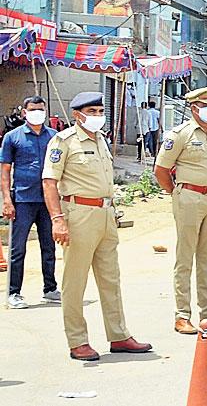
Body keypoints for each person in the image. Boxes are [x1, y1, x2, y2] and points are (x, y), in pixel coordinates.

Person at [43, 91, 152, 361]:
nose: (97, 117)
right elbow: (49, 182)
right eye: (91, 112)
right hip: (78, 214)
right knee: (75, 281)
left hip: (105, 214)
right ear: (77, 115)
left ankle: (119, 335)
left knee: (110, 279)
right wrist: (57, 219)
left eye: (100, 111)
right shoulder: (64, 141)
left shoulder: (101, 140)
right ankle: (77, 340)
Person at [153, 87, 207, 335]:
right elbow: (161, 169)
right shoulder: (180, 134)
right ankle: (182, 314)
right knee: (185, 257)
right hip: (189, 196)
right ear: (195, 108)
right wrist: (176, 192)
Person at [2, 96, 59, 309]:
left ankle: (50, 289)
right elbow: (5, 171)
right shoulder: (12, 137)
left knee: (49, 246)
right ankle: (14, 293)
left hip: (48, 201)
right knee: (18, 249)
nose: (38, 112)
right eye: (33, 109)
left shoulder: (54, 137)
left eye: (41, 109)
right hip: (23, 200)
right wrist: (7, 200)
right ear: (24, 112)